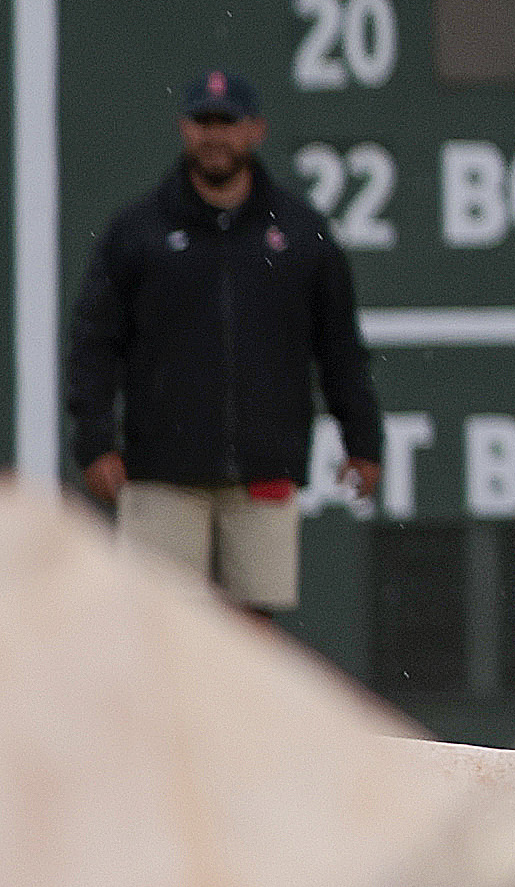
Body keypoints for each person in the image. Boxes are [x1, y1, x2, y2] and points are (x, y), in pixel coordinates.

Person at [70, 68, 381, 621]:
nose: (215, 136)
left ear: (256, 130)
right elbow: (96, 344)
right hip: (162, 471)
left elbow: (338, 345)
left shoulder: (299, 232)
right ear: (183, 128)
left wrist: (363, 439)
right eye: (203, 121)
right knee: (157, 634)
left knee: (255, 645)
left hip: (263, 468)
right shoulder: (139, 231)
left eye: (228, 122)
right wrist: (94, 442)